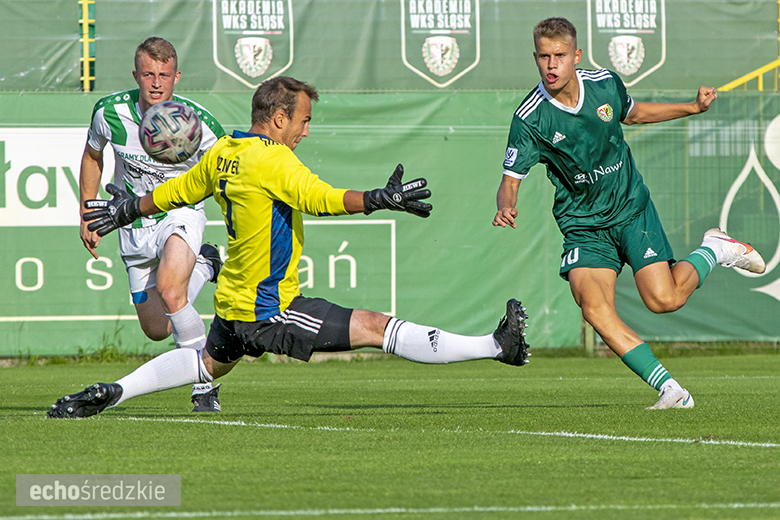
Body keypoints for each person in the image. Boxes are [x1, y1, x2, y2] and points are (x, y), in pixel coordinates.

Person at [48, 76, 530, 419]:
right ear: (278, 118)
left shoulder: (223, 152)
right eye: (303, 120)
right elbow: (320, 199)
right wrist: (378, 199)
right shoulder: (272, 161)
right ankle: (495, 346)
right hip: (268, 308)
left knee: (204, 363)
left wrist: (126, 209)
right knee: (374, 326)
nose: (305, 130)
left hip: (234, 302)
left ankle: (114, 392)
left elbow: (176, 192)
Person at [493, 17, 766, 409]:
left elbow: (634, 112)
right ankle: (671, 390)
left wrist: (692, 107)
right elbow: (511, 179)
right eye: (543, 57)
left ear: (576, 56)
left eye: (560, 56)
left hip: (629, 208)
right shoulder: (530, 117)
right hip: (584, 225)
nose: (551, 65)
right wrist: (506, 205)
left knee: (664, 300)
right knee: (594, 308)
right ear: (535, 57)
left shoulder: (603, 82)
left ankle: (715, 249)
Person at [78, 37, 227, 412]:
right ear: (136, 75)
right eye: (148, 74)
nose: (156, 83)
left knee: (171, 290)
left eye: (164, 75)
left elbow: (229, 170)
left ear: (176, 77)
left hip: (180, 214)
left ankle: (203, 388)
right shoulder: (109, 112)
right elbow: (93, 157)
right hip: (131, 221)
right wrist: (87, 211)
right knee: (157, 328)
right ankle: (207, 264)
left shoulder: (199, 124)